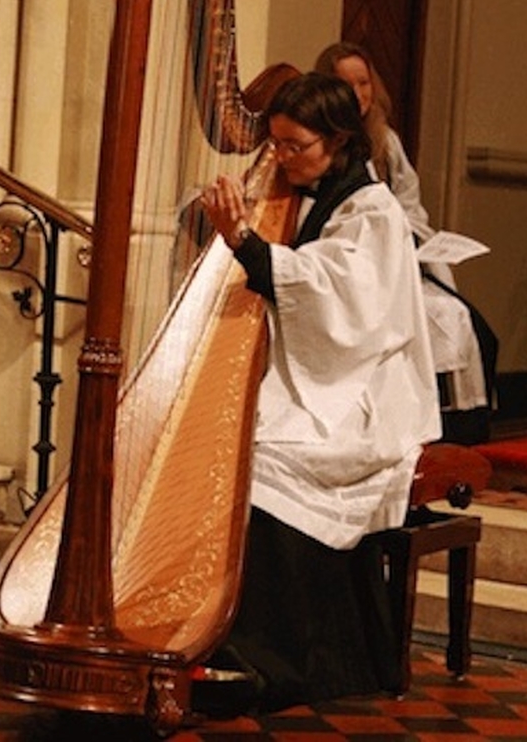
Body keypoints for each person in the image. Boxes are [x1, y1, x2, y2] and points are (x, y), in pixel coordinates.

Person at [197, 72, 441, 713]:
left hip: (363, 391)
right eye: (273, 144)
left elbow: (343, 303)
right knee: (236, 443)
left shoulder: (373, 209)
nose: (278, 157)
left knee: (266, 459)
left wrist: (246, 243)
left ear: (336, 141)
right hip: (320, 374)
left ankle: (279, 658)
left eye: (293, 145)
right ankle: (211, 632)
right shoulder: (304, 188)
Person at [314, 42, 496, 428]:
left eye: (363, 83)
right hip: (356, 268)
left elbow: (410, 205)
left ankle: (459, 427)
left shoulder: (385, 141)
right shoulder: (321, 146)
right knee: (435, 319)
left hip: (402, 261)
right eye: (345, 84)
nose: (357, 94)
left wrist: (412, 239)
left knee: (469, 322)